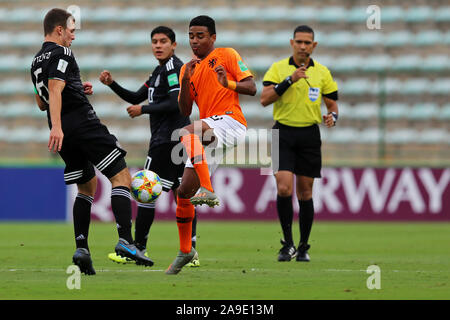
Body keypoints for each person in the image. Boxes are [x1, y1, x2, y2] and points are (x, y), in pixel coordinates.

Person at [30, 8, 153, 275]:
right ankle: (126, 241)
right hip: (80, 124)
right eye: (71, 31)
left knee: (87, 187)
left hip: (63, 129)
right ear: (60, 29)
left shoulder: (35, 61)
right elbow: (54, 89)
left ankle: (82, 247)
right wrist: (59, 126)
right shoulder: (62, 52)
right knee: (120, 175)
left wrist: (75, 88)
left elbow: (42, 102)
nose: (73, 37)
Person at [99, 26, 200, 267]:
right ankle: (191, 250)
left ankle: (138, 247)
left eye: (163, 41)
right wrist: (112, 84)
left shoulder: (173, 67)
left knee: (145, 191)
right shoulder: (158, 71)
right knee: (182, 195)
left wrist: (143, 110)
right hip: (176, 139)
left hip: (166, 140)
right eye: (154, 41)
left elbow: (177, 103)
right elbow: (136, 97)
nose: (158, 45)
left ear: (173, 45)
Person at [165, 15, 256, 275]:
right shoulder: (187, 68)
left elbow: (251, 87)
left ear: (212, 37)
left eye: (200, 36)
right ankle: (185, 250)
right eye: (191, 36)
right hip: (208, 131)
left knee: (186, 130)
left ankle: (208, 188)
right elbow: (184, 108)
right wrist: (185, 81)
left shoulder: (226, 55)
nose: (194, 41)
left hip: (230, 122)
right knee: (183, 192)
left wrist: (226, 82)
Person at [260, 25, 339, 262]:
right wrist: (289, 80)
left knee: (305, 193)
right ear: (292, 43)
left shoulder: (322, 72)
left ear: (314, 46)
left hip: (309, 135)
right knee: (284, 188)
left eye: (308, 43)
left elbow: (333, 104)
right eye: (299, 42)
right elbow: (264, 99)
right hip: (282, 133)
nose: (303, 46)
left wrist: (332, 117)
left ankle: (304, 246)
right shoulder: (278, 68)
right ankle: (288, 244)